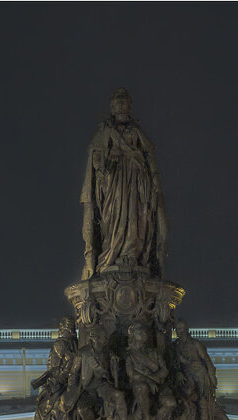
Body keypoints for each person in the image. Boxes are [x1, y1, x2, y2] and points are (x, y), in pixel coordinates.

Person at [81, 88, 169, 279]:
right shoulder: (105, 133)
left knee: (138, 217)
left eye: (124, 102)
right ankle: (110, 254)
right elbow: (96, 160)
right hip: (114, 182)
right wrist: (105, 167)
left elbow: (149, 157)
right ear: (112, 108)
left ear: (129, 106)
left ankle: (133, 254)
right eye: (117, 103)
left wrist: (153, 181)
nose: (120, 106)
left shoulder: (137, 133)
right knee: (111, 218)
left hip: (137, 181)